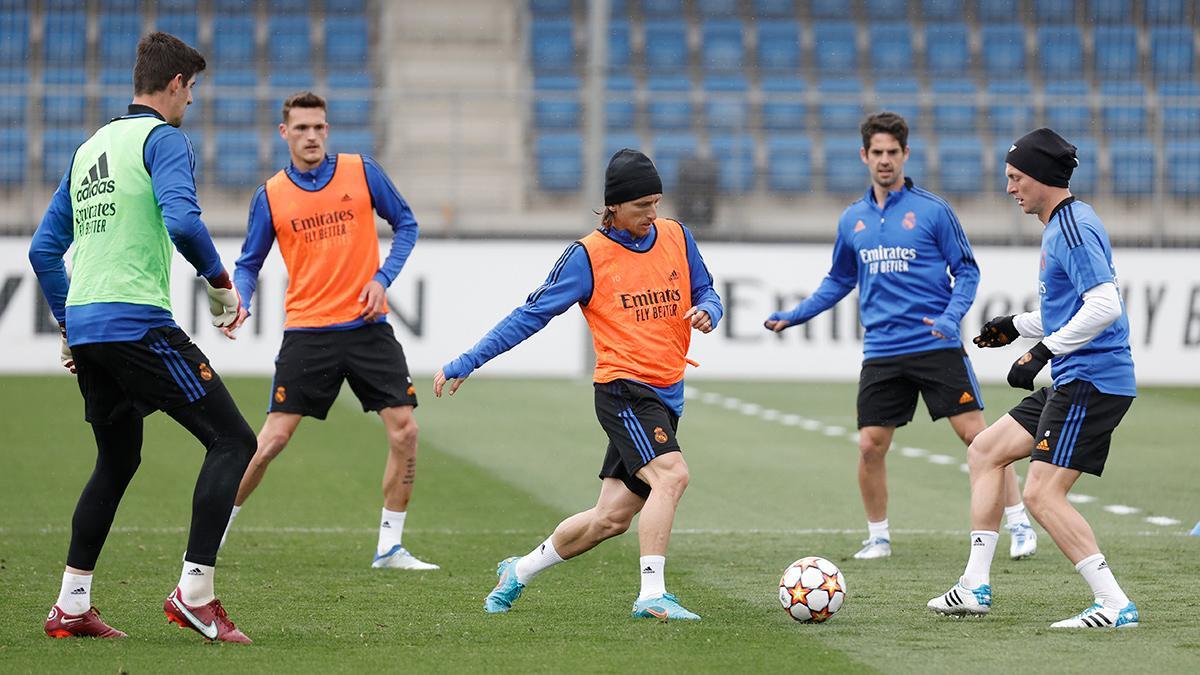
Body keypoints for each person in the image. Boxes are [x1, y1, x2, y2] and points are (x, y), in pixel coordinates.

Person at [29, 32, 255, 643]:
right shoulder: (164, 140)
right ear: (177, 84)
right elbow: (182, 219)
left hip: (91, 327)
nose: (191, 103)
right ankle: (195, 594)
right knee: (233, 440)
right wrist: (219, 283)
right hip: (136, 322)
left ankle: (72, 604)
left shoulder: (89, 149)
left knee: (118, 457)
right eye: (192, 91)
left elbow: (44, 251)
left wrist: (68, 323)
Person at [434, 149, 723, 620]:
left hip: (666, 393)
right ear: (613, 206)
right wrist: (470, 360)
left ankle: (519, 571)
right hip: (624, 390)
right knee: (672, 476)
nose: (653, 214)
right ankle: (652, 596)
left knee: (610, 518)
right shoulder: (588, 255)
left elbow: (706, 289)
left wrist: (710, 309)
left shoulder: (676, 236)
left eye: (656, 202)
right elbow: (532, 314)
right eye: (642, 206)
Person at [763, 112, 1036, 561]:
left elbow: (966, 270)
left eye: (893, 152)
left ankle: (1019, 523)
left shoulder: (933, 210)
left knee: (979, 439)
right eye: (877, 153)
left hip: (935, 344)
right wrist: (794, 316)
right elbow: (838, 280)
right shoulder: (853, 219)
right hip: (883, 350)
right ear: (864, 156)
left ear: (906, 154)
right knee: (871, 446)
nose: (885, 160)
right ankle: (878, 536)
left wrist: (951, 317)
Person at [928, 128, 1139, 628]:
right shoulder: (1062, 225)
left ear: (1043, 177)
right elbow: (1072, 308)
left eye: (1016, 177)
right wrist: (1017, 327)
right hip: (1076, 376)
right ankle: (975, 586)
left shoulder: (1072, 227)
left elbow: (1105, 305)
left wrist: (1041, 351)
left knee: (1042, 495)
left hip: (1094, 380)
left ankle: (1114, 604)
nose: (1010, 188)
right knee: (985, 450)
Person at [219, 92, 436, 571]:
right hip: (308, 333)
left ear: (327, 129)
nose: (311, 136)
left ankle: (390, 547)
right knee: (271, 440)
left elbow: (407, 224)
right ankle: (213, 533)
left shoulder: (362, 171)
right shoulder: (271, 194)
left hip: (367, 328)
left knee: (406, 431)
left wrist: (383, 279)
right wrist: (243, 301)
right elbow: (249, 263)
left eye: (318, 127)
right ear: (285, 133)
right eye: (301, 128)